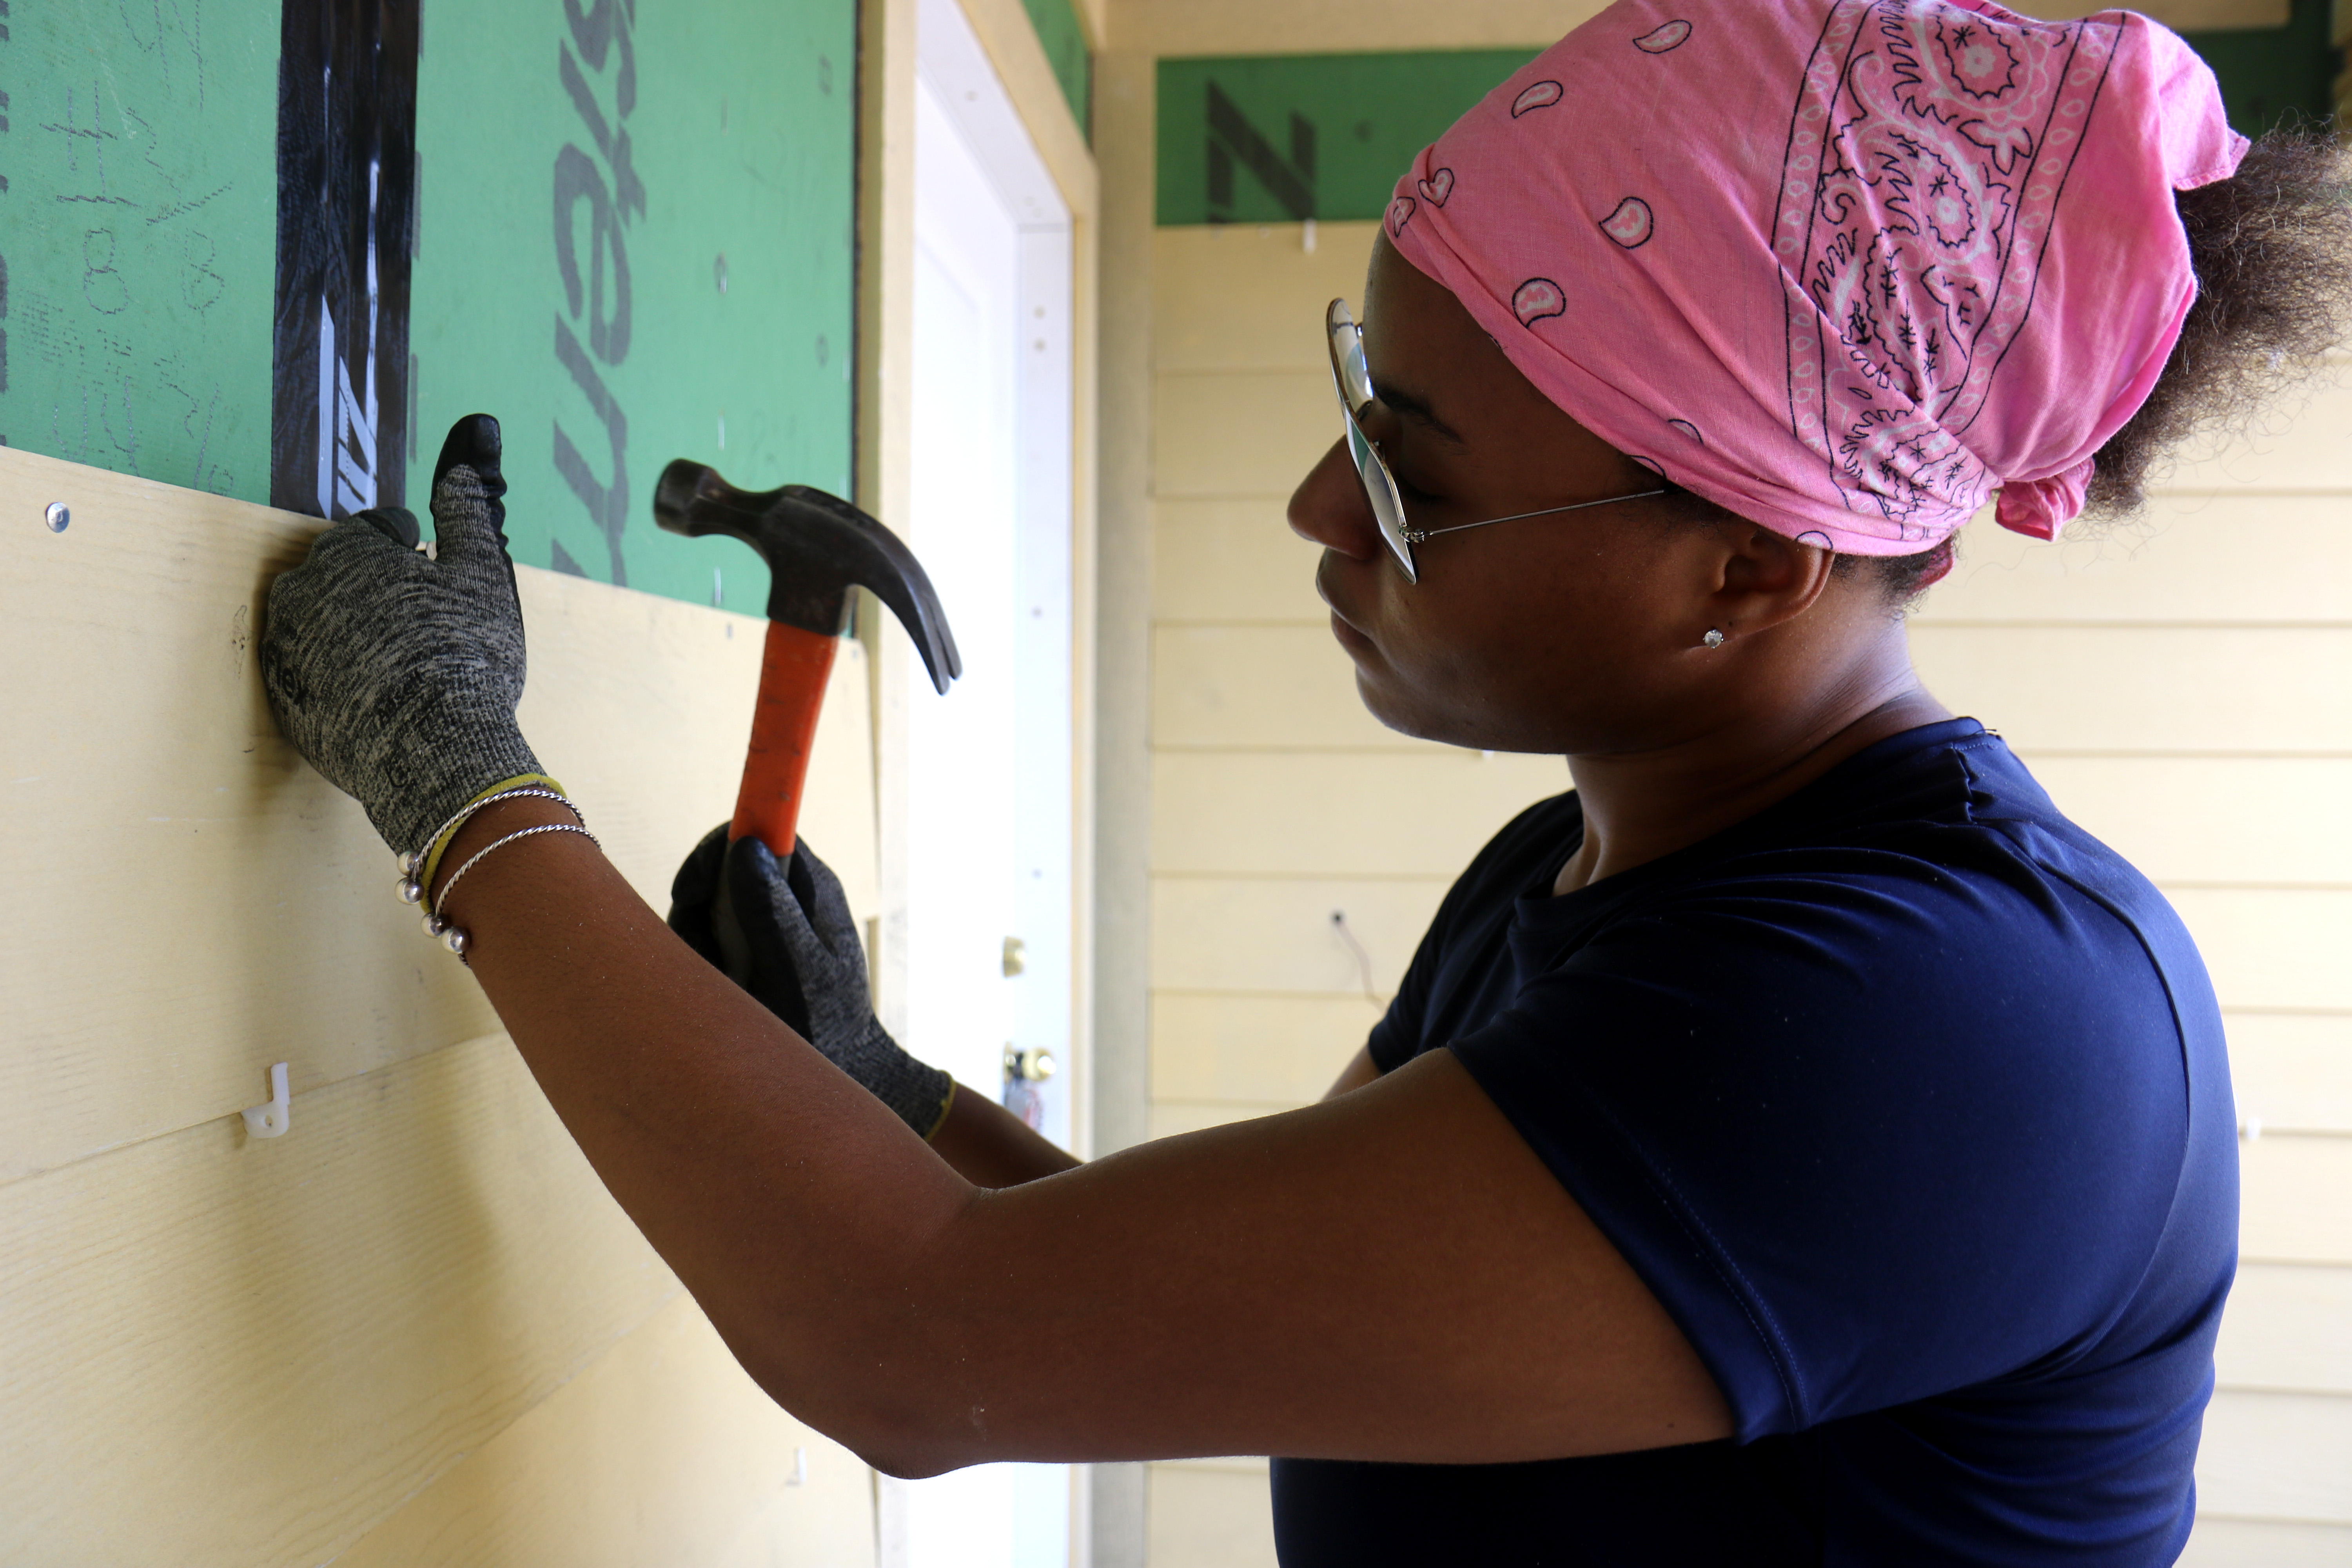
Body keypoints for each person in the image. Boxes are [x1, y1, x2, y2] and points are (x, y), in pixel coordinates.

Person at [260, 1, 2352, 1561]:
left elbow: (921, 1348)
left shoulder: (1953, 1029)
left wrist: (467, 786)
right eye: (1362, 415)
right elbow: (1117, 1294)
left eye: (1409, 478)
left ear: (1745, 564)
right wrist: (877, 1085)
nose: (1312, 510)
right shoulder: (1574, 866)